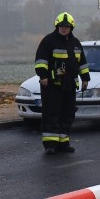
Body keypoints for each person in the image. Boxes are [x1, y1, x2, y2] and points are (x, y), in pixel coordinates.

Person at [35, 12, 90, 155]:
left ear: (71, 27)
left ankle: (63, 142)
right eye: (61, 26)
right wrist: (43, 76)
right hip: (52, 84)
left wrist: (85, 78)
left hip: (70, 84)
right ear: (57, 26)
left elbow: (82, 63)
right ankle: (50, 144)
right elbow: (41, 60)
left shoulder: (76, 43)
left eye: (66, 26)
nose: (63, 28)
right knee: (52, 113)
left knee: (68, 113)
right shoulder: (49, 41)